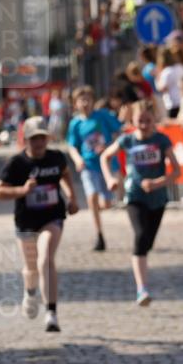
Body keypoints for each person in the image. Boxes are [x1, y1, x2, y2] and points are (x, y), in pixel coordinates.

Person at [0, 117, 78, 333]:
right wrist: (22, 190)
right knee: (31, 268)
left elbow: (65, 174)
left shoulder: (56, 157)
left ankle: (51, 313)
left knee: (46, 259)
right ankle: (30, 292)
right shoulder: (17, 163)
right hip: (26, 221)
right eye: (34, 138)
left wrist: (72, 197)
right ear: (26, 140)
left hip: (52, 216)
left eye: (42, 137)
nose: (39, 142)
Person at [101, 101, 181, 306]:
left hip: (158, 198)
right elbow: (105, 157)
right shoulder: (127, 140)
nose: (144, 125)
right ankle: (142, 289)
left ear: (154, 120)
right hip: (134, 195)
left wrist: (157, 183)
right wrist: (110, 179)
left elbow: (177, 171)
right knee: (140, 236)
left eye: (147, 120)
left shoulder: (161, 140)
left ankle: (142, 275)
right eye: (140, 121)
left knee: (147, 242)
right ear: (132, 120)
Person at [66, 85, 120, 252]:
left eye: (88, 100)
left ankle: (97, 208)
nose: (85, 103)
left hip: (106, 165)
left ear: (93, 101)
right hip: (88, 165)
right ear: (75, 104)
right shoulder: (75, 123)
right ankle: (99, 235)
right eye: (81, 100)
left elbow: (119, 132)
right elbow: (72, 146)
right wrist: (77, 159)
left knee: (106, 203)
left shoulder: (103, 116)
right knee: (92, 196)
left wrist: (109, 148)